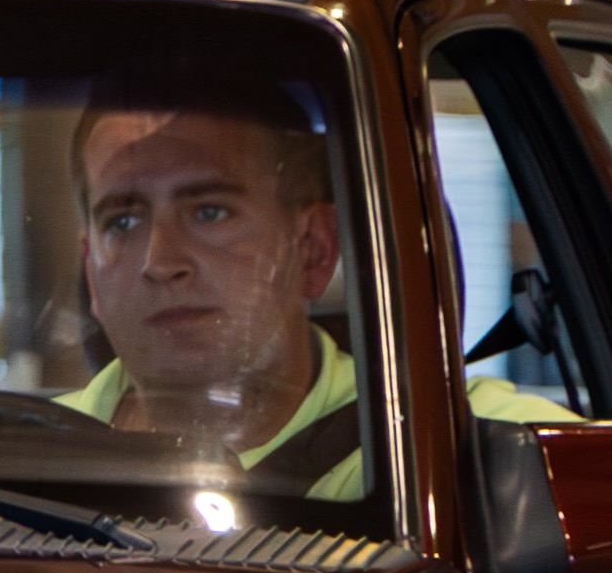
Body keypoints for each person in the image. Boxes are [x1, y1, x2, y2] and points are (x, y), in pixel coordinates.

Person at [58, 76, 380, 497]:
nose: (160, 263)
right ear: (92, 275)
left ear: (312, 249)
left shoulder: (425, 448)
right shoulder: (26, 457)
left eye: (210, 212)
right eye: (123, 222)